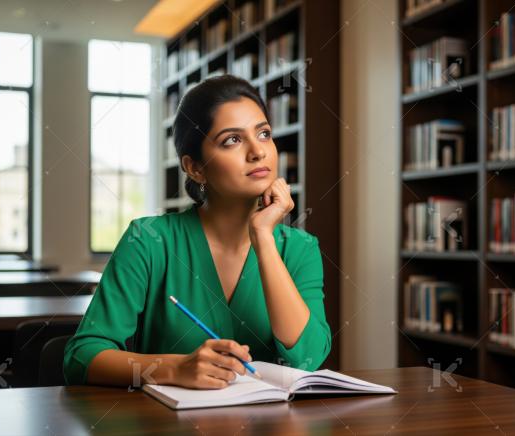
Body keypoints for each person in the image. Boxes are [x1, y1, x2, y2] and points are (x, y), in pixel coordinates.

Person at [63, 75, 331, 389]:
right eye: (232, 139)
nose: (258, 152)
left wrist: (263, 237)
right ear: (195, 168)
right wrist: (174, 369)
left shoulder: (300, 248)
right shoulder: (148, 241)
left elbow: (309, 359)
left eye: (264, 133)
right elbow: (82, 358)